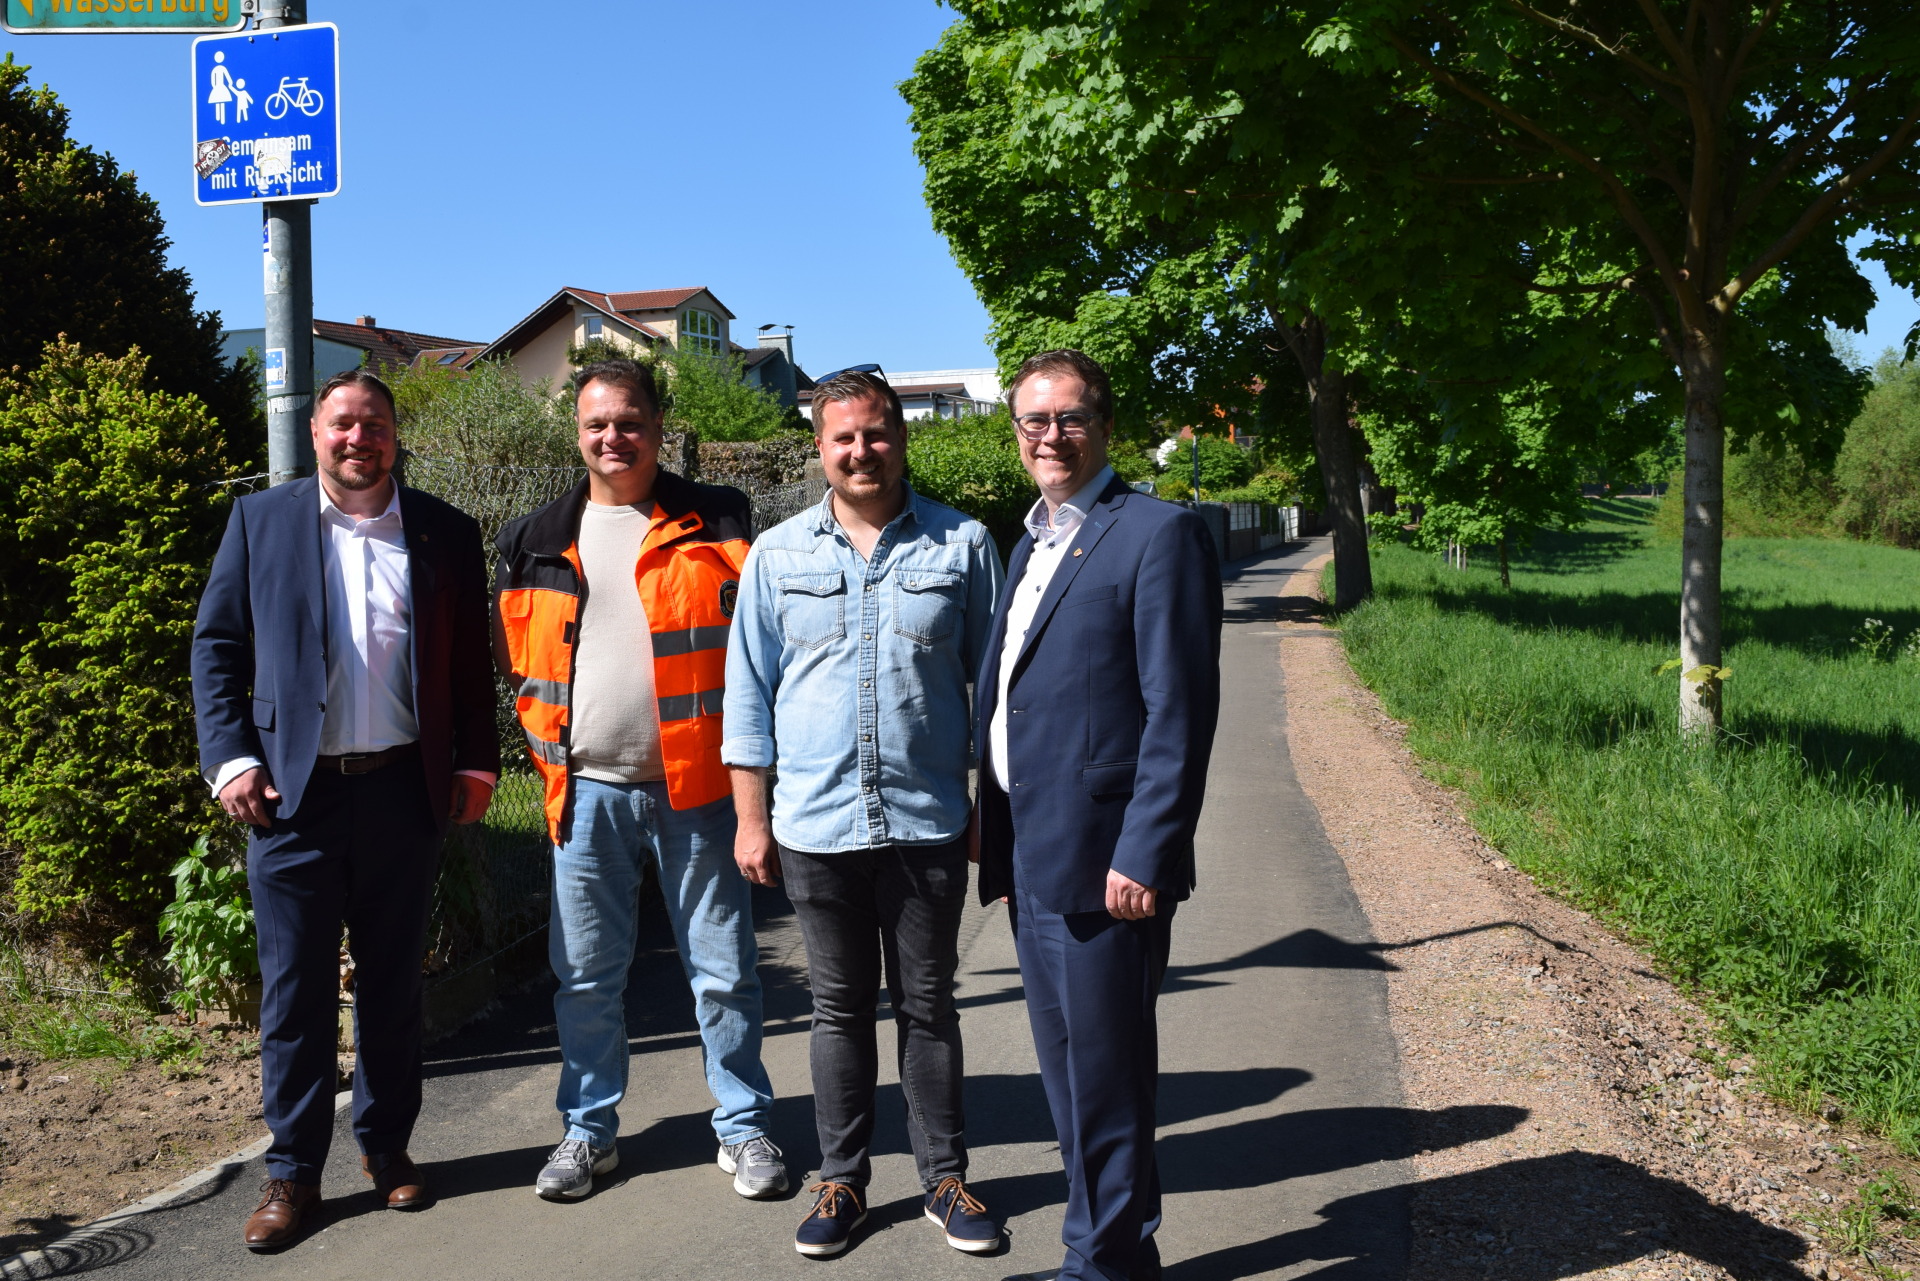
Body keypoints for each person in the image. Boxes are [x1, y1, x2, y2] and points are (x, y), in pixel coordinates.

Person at [191, 369, 500, 1250]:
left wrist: (475, 761)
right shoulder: (260, 521)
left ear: (396, 435)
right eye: (343, 424)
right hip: (294, 798)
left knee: (394, 985)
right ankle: (292, 1171)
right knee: (295, 993)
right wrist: (231, 759)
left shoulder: (444, 530)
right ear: (316, 433)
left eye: (375, 424)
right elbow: (217, 645)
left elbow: (469, 662)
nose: (359, 438)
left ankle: (387, 1147)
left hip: (405, 790)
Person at [723, 370, 1006, 1259]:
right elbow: (747, 696)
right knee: (838, 1010)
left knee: (929, 1006)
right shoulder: (775, 555)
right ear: (820, 446)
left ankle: (945, 1180)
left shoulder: (962, 543)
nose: (861, 451)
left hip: (927, 822)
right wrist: (750, 819)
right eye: (843, 437)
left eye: (876, 433)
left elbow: (1000, 693)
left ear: (901, 437)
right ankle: (841, 1179)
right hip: (816, 826)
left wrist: (990, 809)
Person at [493, 358, 785, 1203]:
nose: (612, 437)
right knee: (585, 976)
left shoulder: (720, 520)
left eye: (629, 421)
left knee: (724, 970)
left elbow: (758, 650)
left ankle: (744, 1125)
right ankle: (588, 1131)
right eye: (597, 423)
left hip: (699, 790)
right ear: (577, 432)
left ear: (658, 426)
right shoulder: (533, 538)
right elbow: (517, 663)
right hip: (585, 792)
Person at [975, 350, 1222, 1281]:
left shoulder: (1158, 533)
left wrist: (1146, 851)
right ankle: (1117, 1252)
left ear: (1105, 426)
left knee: (1108, 1077)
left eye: (1069, 417)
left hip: (1108, 862)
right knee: (1071, 1076)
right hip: (1034, 855)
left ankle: (1101, 1264)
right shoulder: (1029, 541)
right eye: (1033, 420)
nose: (1050, 435)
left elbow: (1179, 711)